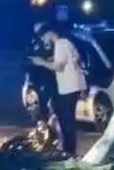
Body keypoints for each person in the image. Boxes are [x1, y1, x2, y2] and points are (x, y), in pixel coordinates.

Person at [29, 24, 86, 160]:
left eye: (43, 37)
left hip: (67, 88)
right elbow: (74, 60)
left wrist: (41, 62)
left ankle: (69, 152)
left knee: (66, 120)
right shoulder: (68, 43)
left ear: (49, 33)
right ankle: (69, 151)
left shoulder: (60, 44)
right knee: (68, 119)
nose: (43, 40)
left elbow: (59, 66)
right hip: (74, 87)